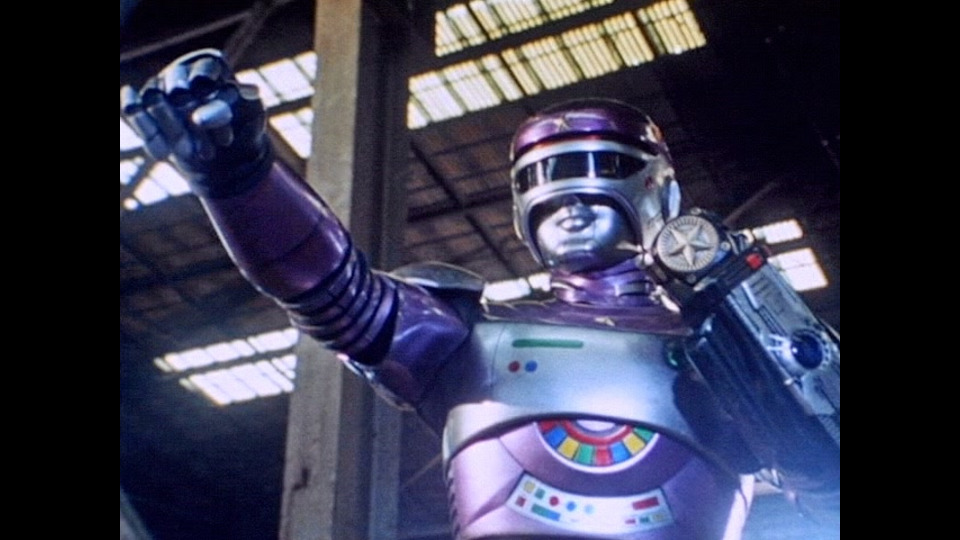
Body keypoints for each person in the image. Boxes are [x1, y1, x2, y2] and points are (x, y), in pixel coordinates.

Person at [121, 49, 839, 539]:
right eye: (543, 180)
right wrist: (241, 176)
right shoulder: (468, 333)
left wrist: (777, 372)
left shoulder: (730, 346)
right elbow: (332, 292)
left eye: (599, 170)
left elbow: (828, 486)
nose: (569, 201)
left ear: (661, 192)